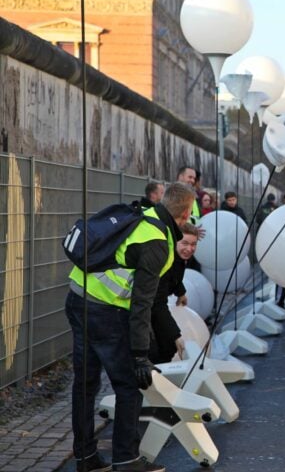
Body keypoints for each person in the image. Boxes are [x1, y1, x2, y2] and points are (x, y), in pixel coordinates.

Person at [65, 182, 195, 472]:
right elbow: (141, 304)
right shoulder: (159, 243)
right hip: (105, 311)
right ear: (185, 214)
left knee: (85, 384)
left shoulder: (142, 213)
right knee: (128, 387)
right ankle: (126, 459)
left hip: (77, 298)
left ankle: (86, 458)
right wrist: (139, 356)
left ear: (163, 200)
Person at [148, 223, 200, 365]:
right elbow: (158, 304)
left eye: (194, 244)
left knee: (168, 346)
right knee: (151, 350)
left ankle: (159, 377)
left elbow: (174, 278)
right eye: (185, 243)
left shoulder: (178, 259)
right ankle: (148, 381)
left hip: (153, 306)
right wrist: (176, 335)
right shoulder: (165, 261)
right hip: (139, 309)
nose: (189, 249)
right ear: (175, 241)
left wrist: (180, 292)